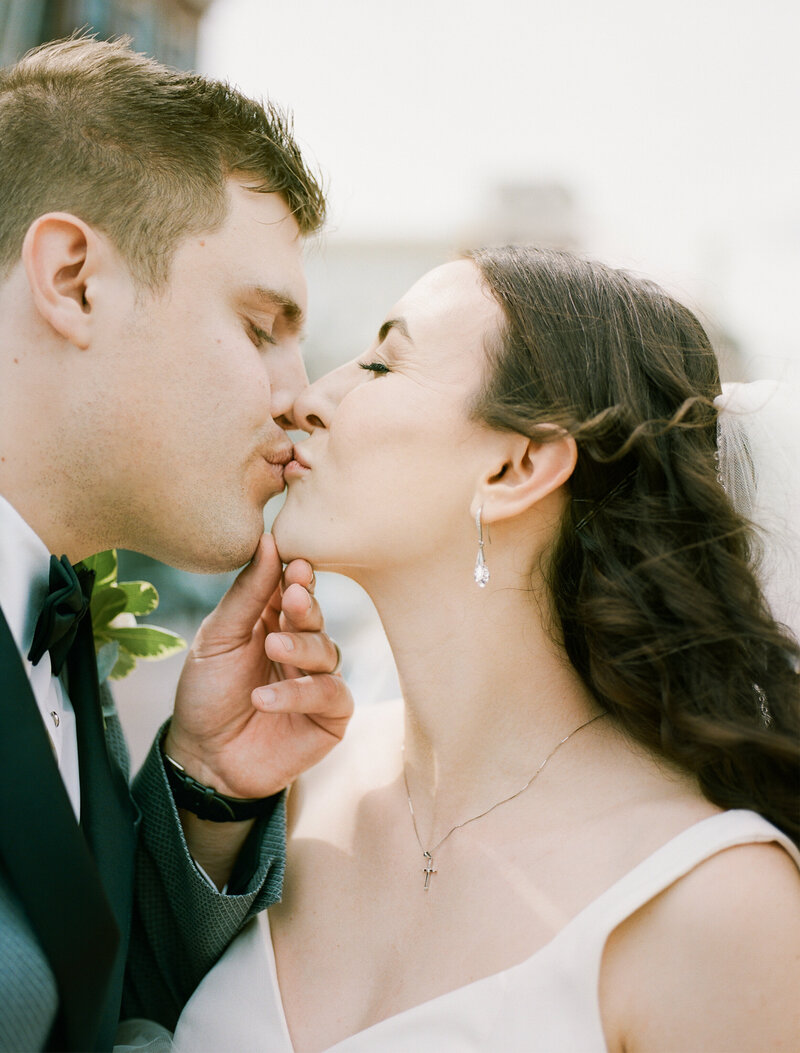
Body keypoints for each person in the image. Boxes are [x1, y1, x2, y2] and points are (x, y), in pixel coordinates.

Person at [171, 247, 800, 1052]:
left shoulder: (713, 904)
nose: (308, 399)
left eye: (380, 363)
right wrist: (208, 787)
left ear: (515, 466)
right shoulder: (291, 783)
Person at [0, 37, 353, 1053]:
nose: (298, 397)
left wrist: (204, 785)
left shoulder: (53, 618)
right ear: (72, 280)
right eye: (258, 327)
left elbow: (80, 1004)